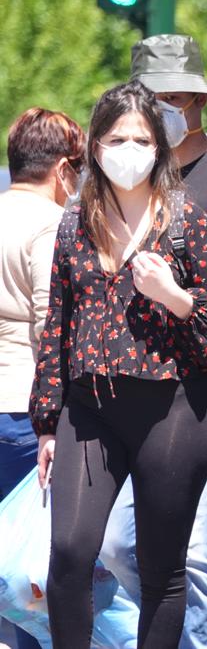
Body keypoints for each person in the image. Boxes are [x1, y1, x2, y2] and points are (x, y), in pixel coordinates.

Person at [29, 80, 207, 647]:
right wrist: (47, 422)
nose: (128, 150)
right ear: (95, 147)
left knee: (163, 567)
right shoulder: (75, 222)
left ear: (159, 148)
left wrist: (174, 295)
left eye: (141, 138)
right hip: (89, 406)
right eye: (116, 137)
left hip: (172, 407)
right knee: (70, 552)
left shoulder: (189, 219)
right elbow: (59, 326)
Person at [98, 34, 207, 649]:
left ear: (201, 101)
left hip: (202, 393)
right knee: (117, 543)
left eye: (181, 97)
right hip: (122, 392)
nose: (170, 108)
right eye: (156, 97)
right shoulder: (119, 178)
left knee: (194, 551)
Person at [0, 108, 85, 649]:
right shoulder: (48, 224)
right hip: (27, 414)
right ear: (61, 169)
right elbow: (46, 326)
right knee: (30, 562)